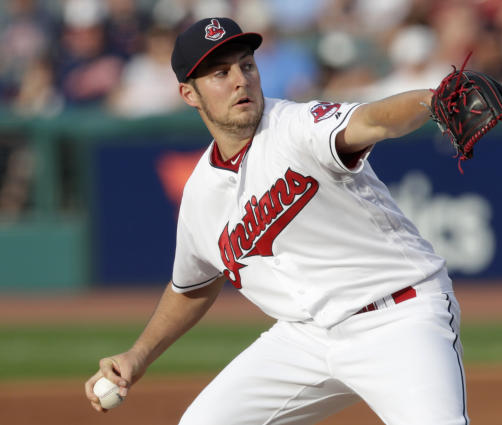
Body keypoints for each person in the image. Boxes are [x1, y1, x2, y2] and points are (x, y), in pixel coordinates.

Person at [84, 17, 469, 425]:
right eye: (220, 73)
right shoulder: (200, 194)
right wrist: (138, 355)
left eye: (246, 65)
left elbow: (372, 120)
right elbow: (192, 287)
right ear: (189, 94)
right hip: (305, 338)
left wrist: (433, 98)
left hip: (397, 318)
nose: (240, 80)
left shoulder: (297, 125)